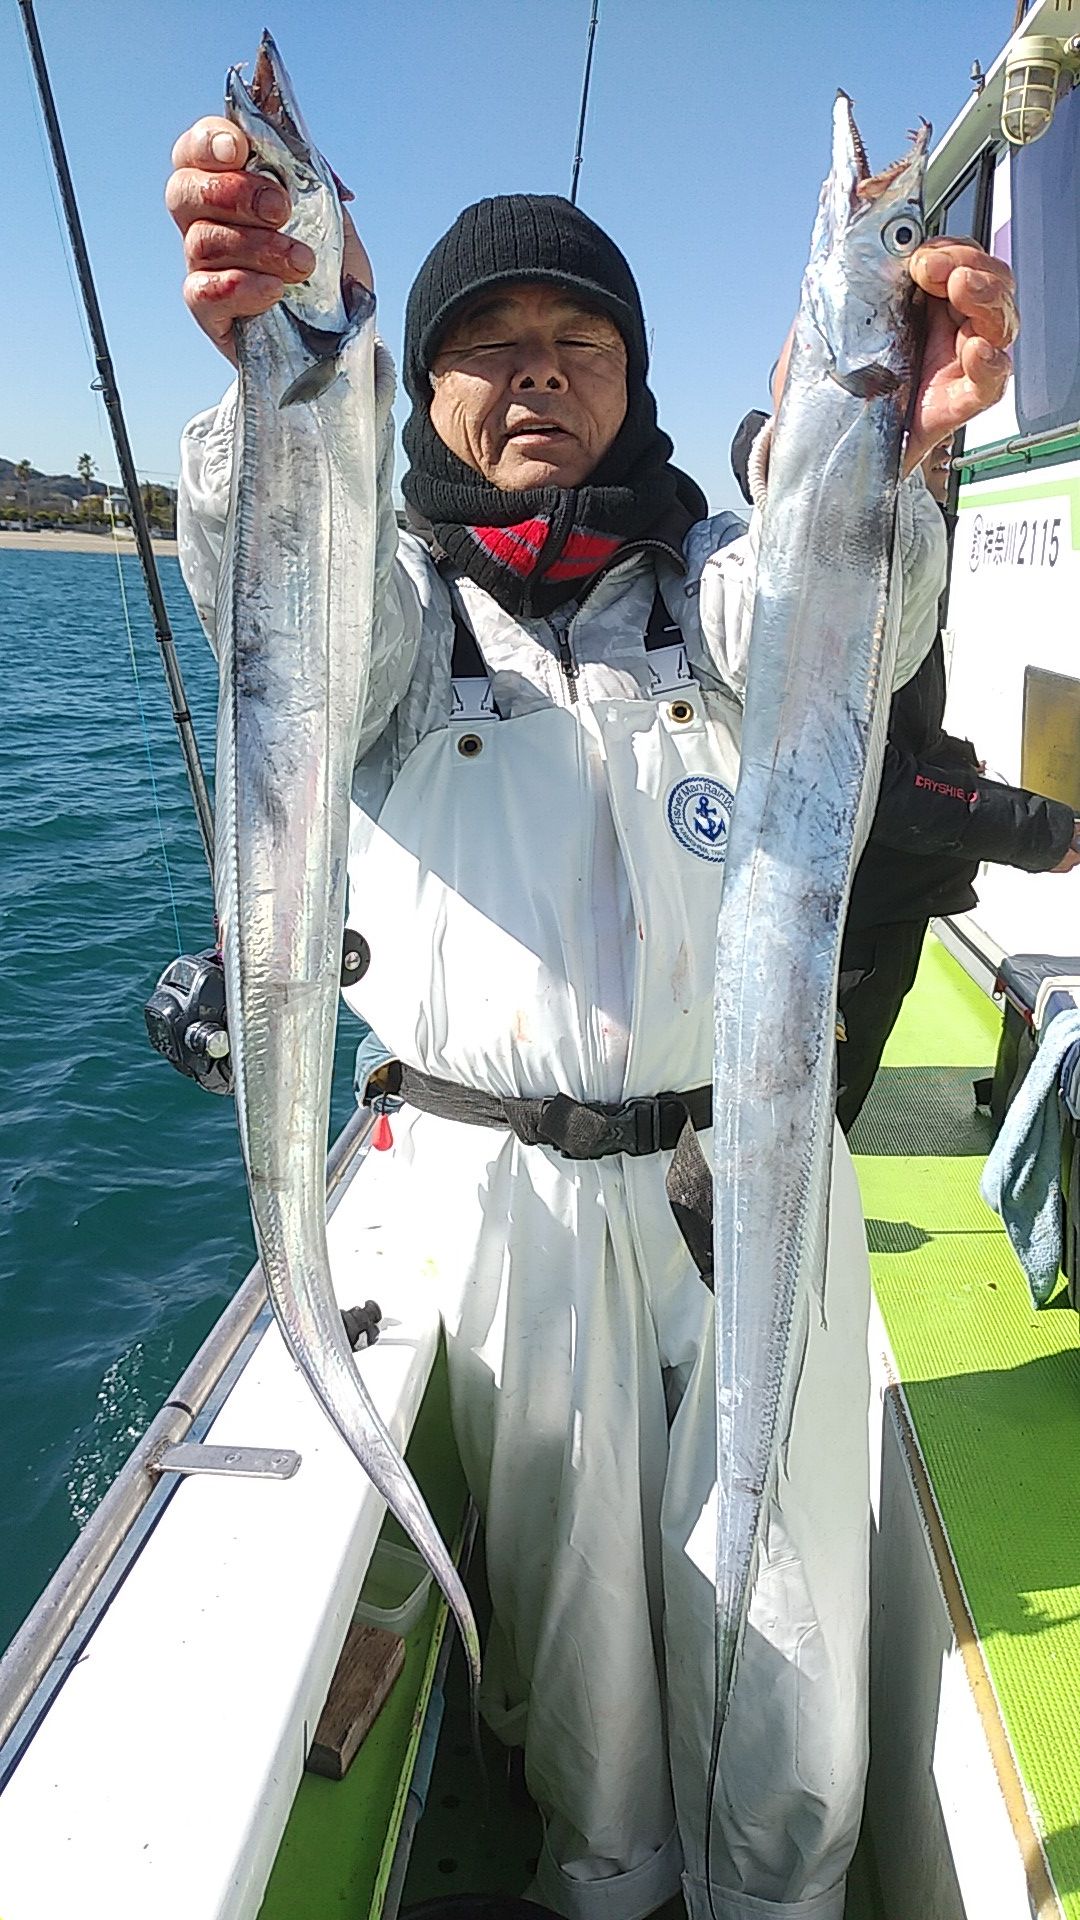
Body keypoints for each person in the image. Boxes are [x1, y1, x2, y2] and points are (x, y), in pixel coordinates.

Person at [166, 113, 1016, 1920]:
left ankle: (778, 1897)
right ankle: (609, 1886)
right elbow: (278, 589)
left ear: (636, 383)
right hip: (505, 1213)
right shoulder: (397, 618)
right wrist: (277, 358)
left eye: (582, 342)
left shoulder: (717, 592)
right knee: (584, 1663)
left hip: (753, 1177)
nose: (539, 372)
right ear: (424, 385)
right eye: (488, 344)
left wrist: (898, 453)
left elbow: (845, 624)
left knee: (791, 1627)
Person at [729, 425, 1080, 1133]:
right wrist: (1039, 832)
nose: (944, 460)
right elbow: (861, 775)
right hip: (855, 911)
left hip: (883, 900)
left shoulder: (895, 572)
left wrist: (950, 756)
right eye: (924, 453)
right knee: (819, 1114)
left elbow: (894, 729)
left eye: (944, 450)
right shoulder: (843, 589)